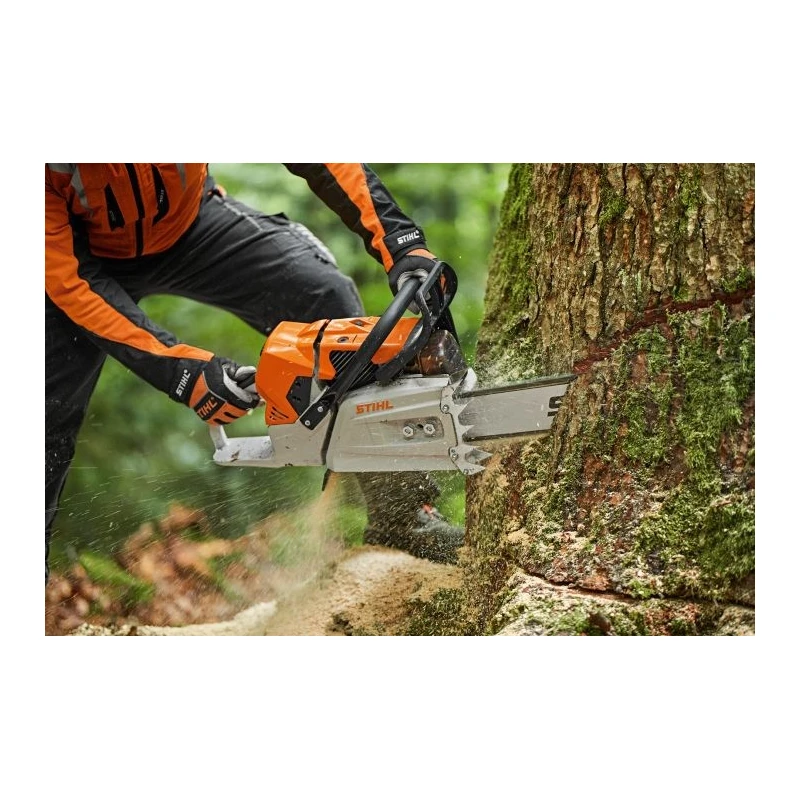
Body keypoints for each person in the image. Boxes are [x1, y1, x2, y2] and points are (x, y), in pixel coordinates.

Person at [45, 163, 464, 582]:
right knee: (45, 416)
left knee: (325, 300)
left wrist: (399, 240)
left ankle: (400, 518)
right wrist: (182, 371)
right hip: (73, 257)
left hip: (191, 223)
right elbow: (70, 282)